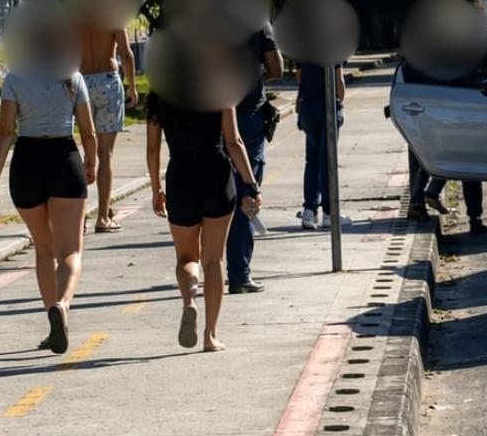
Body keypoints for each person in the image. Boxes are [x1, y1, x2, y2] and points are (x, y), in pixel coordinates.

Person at [146, 92, 262, 352]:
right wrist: (251, 185)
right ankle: (210, 336)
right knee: (213, 260)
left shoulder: (159, 95)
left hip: (180, 178)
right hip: (216, 176)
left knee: (186, 258)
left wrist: (156, 187)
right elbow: (233, 141)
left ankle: (189, 302)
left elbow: (153, 147)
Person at [0, 70, 97, 354]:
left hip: (27, 163)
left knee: (43, 249)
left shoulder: (15, 78)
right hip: (64, 160)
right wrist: (92, 161)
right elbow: (87, 130)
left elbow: (5, 132)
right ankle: (62, 306)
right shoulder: (72, 77)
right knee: (71, 252)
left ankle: (52, 323)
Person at [225, 27, 282, 294]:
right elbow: (276, 68)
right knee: (245, 193)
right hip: (247, 117)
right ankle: (239, 273)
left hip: (208, 115)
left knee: (216, 192)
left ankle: (204, 267)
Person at [80, 25, 137, 233]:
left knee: (88, 147)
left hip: (82, 82)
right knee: (105, 153)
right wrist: (132, 85)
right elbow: (126, 54)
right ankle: (102, 217)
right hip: (107, 82)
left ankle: (79, 216)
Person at [296, 63, 348, 229]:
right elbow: (338, 82)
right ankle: (329, 213)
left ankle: (309, 211)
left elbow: (300, 75)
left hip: (308, 108)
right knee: (327, 161)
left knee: (311, 161)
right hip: (328, 107)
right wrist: (339, 98)